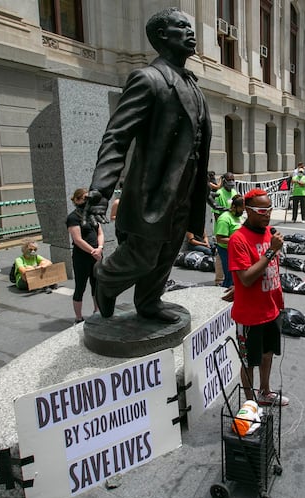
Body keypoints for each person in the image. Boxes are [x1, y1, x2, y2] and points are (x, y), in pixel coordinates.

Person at [84, 8, 211, 323]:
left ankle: (149, 301)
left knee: (169, 251)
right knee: (143, 255)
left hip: (186, 187)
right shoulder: (148, 79)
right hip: (153, 190)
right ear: (162, 36)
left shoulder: (193, 85)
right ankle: (106, 277)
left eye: (190, 26)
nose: (190, 32)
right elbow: (117, 137)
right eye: (181, 27)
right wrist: (101, 188)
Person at [224, 189, 288, 406]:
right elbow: (248, 278)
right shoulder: (238, 239)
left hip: (271, 309)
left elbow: (267, 271)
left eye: (269, 209)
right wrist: (270, 251)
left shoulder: (270, 232)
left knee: (267, 355)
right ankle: (250, 403)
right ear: (248, 211)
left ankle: (265, 392)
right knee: (249, 361)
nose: (267, 214)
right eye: (261, 210)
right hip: (250, 315)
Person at [67, 188, 104, 323]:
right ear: (77, 200)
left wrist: (99, 248)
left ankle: (97, 311)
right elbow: (78, 239)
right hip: (82, 257)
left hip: (97, 255)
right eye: (84, 198)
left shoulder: (92, 214)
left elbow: (100, 232)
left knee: (97, 285)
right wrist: (93, 251)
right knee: (80, 287)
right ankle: (78, 317)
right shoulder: (73, 217)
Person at [215, 195, 245, 288]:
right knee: (230, 277)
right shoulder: (224, 219)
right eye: (241, 209)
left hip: (237, 250)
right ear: (234, 207)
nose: (242, 212)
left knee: (237, 277)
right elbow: (220, 239)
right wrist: (237, 241)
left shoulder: (239, 217)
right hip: (226, 251)